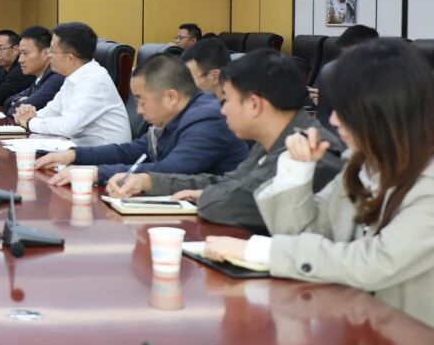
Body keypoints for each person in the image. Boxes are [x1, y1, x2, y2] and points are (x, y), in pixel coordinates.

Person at [205, 39, 434, 328]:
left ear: (384, 111)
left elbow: (374, 263)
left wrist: (260, 251)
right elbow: (305, 237)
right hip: (354, 328)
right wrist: (296, 173)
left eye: (346, 110)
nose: (334, 120)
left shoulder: (427, 184)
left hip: (413, 343)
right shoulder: (360, 166)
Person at [109, 49, 344, 231]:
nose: (222, 111)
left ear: (254, 105)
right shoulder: (271, 140)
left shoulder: (312, 150)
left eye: (227, 101)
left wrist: (208, 195)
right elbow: (229, 182)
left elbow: (235, 204)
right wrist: (150, 181)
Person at [38, 54, 248, 185]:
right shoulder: (175, 116)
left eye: (141, 100)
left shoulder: (207, 119)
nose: (138, 110)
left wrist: (96, 173)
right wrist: (73, 155)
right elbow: (131, 151)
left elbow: (171, 170)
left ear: (171, 97)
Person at [15, 22, 130, 146]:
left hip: (105, 154)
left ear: (70, 58)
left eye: (52, 51)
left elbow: (67, 127)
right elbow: (53, 110)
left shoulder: (93, 80)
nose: (49, 55)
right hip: (81, 149)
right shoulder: (74, 77)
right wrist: (27, 115)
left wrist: (30, 122)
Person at [313, 24, 379, 136]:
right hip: (334, 135)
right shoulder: (333, 71)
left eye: (350, 52)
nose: (345, 57)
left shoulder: (380, 77)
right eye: (344, 52)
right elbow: (324, 118)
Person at [4, 25, 64, 115]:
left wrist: (23, 101)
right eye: (20, 54)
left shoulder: (56, 76)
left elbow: (17, 111)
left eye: (25, 53)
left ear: (46, 53)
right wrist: (20, 100)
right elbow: (7, 100)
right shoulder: (40, 77)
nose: (20, 60)